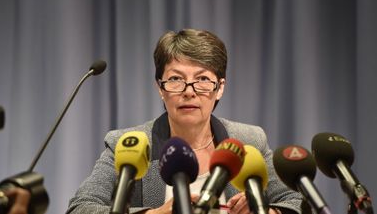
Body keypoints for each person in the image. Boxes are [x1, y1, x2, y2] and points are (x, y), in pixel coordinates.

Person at [66, 28, 303, 214]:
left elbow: (297, 203)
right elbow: (81, 208)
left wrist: (266, 211)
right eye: (176, 79)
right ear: (160, 87)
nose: (189, 91)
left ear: (220, 88)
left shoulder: (249, 141)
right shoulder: (126, 145)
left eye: (202, 79)